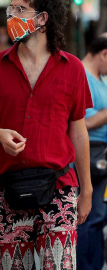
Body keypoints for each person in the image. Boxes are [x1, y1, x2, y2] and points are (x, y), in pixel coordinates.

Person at [0, 0, 93, 268]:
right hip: (7, 189)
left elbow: (79, 133)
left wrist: (87, 190)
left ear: (43, 18)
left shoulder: (73, 68)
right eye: (10, 9)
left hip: (59, 187)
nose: (12, 15)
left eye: (20, 9)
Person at [77, 34, 107, 270]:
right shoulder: (82, 76)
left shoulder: (99, 77)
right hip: (92, 157)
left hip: (101, 157)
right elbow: (82, 123)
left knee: (97, 218)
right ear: (103, 54)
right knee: (89, 218)